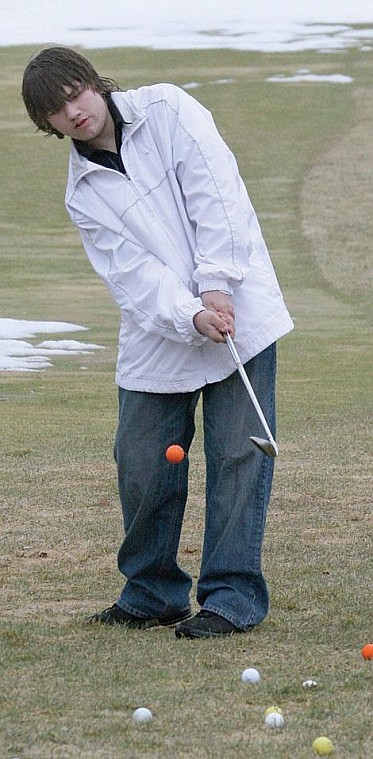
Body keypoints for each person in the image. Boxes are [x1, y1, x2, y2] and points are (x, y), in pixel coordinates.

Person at [22, 46, 293, 639]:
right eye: (57, 112)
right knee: (141, 459)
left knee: (239, 454)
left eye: (77, 94)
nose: (75, 113)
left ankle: (231, 598)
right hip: (161, 331)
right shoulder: (82, 195)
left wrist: (217, 285)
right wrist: (189, 312)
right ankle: (151, 592)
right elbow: (131, 275)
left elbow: (219, 194)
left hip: (238, 307)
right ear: (48, 126)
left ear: (94, 83)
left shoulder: (168, 109)